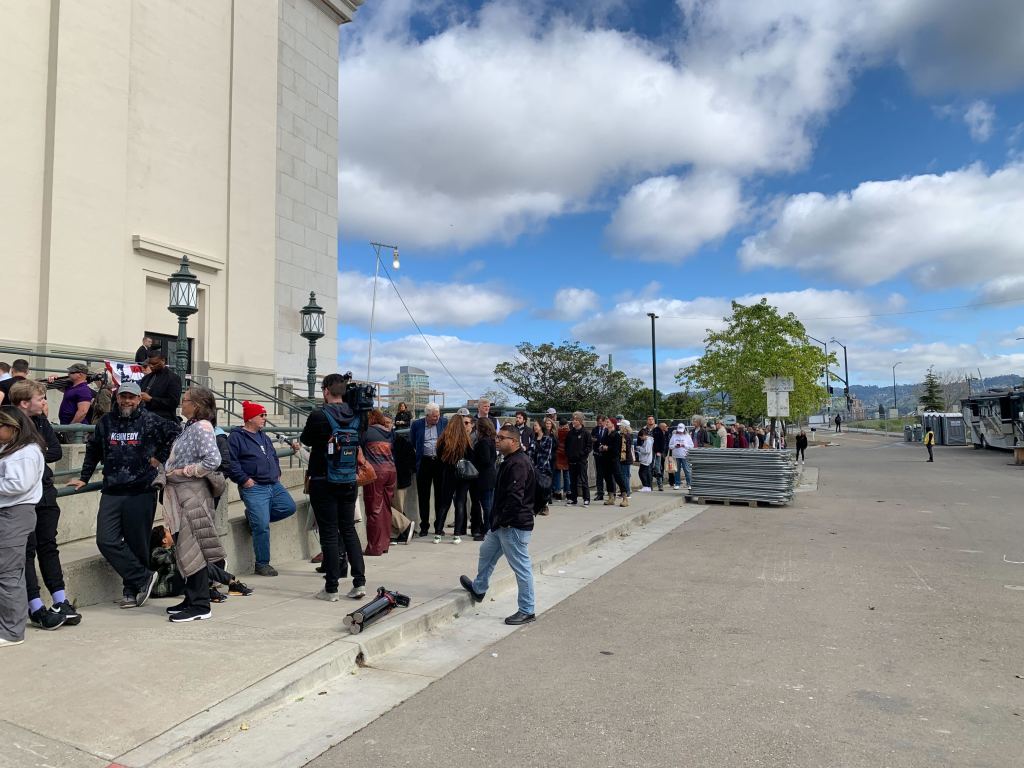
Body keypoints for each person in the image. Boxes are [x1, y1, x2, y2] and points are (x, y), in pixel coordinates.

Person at [67, 381, 177, 608]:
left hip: (141, 491)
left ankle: (131, 590)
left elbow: (176, 432)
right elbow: (93, 450)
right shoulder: (106, 422)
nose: (127, 401)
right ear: (117, 398)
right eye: (123, 397)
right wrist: (84, 478)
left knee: (137, 543)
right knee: (106, 540)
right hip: (112, 490)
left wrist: (160, 456)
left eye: (131, 397)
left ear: (139, 399)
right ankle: (143, 577)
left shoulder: (151, 420)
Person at [7, 380, 80, 629]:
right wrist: (38, 449)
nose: (44, 403)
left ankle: (60, 600)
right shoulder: (8, 421)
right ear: (25, 402)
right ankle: (35, 606)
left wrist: (33, 451)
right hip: (19, 501)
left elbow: (56, 451)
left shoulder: (41, 421)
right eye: (40, 398)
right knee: (26, 552)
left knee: (48, 546)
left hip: (45, 493)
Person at [459, 424, 537, 626]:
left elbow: (515, 498)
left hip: (513, 525)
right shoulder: (511, 460)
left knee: (521, 567)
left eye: (502, 437)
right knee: (486, 552)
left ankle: (527, 610)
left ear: (514, 441)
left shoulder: (518, 463)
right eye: (497, 436)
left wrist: (503, 520)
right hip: (502, 524)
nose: (497, 440)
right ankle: (479, 588)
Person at [160, 386, 226, 622]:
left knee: (193, 545)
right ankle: (192, 597)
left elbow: (213, 459)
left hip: (192, 493)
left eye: (185, 400)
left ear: (196, 405)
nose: (182, 403)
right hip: (183, 493)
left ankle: (200, 604)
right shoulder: (190, 427)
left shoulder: (203, 427)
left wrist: (187, 471)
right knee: (185, 545)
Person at [300, 374, 366, 600]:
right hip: (349, 480)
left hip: (323, 480)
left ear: (326, 390)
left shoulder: (319, 415)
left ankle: (331, 588)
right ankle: (359, 583)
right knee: (349, 530)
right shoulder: (357, 415)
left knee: (329, 533)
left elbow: (306, 440)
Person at [227, 400, 296, 576]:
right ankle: (262, 563)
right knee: (262, 526)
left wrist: (277, 471)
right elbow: (231, 462)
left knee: (289, 507)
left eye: (265, 415)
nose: (265, 418)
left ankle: (254, 518)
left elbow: (272, 455)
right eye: (262, 415)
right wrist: (244, 480)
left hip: (274, 484)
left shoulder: (263, 436)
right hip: (254, 487)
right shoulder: (236, 437)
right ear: (250, 418)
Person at [0, 409, 47, 647]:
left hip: (15, 514)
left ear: (14, 428)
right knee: (8, 572)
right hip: (9, 513)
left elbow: (17, 485)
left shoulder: (26, 452)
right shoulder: (12, 449)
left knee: (7, 573)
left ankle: (11, 631)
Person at [362, 410, 399, 555]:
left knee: (374, 509)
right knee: (386, 508)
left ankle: (374, 547)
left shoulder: (366, 431)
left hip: (375, 473)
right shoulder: (389, 432)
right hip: (391, 471)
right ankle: (384, 545)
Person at [434, 412, 474, 543]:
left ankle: (438, 533)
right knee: (460, 503)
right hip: (463, 475)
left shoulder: (444, 439)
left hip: (448, 473)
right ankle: (457, 534)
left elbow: (439, 456)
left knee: (444, 504)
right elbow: (471, 457)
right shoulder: (466, 439)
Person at [409, 403, 447, 538]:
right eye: (434, 417)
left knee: (440, 495)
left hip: (439, 462)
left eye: (438, 416)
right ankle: (424, 526)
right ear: (427, 416)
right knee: (423, 496)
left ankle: (439, 526)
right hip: (424, 462)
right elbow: (412, 442)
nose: (437, 419)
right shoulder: (417, 424)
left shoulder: (444, 422)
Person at [470, 417, 497, 540]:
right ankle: (488, 529)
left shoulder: (483, 442)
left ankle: (487, 530)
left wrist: (475, 461)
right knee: (488, 505)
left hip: (484, 478)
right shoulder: (491, 440)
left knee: (487, 506)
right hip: (489, 476)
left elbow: (485, 460)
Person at [139, 351, 182, 422]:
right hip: (144, 418)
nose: (151, 366)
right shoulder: (146, 378)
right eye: (149, 364)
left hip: (163, 420)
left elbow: (173, 402)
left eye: (154, 364)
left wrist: (151, 399)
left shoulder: (173, 378)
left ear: (163, 361)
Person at [564, 411, 592, 506]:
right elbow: (566, 446)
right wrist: (569, 455)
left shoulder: (586, 433)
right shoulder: (570, 433)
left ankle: (586, 499)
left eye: (576, 419)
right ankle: (573, 499)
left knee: (583, 480)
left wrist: (582, 454)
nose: (573, 421)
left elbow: (589, 447)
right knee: (573, 481)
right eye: (573, 419)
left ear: (580, 421)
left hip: (581, 461)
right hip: (572, 460)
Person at [532, 420, 553, 516]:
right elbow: (530, 453)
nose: (534, 427)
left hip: (544, 468)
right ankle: (536, 506)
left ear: (541, 426)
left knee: (544, 487)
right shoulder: (533, 438)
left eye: (536, 425)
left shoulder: (548, 439)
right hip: (533, 467)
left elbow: (547, 454)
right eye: (534, 426)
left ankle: (545, 506)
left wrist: (538, 467)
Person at [668, 424, 693, 490]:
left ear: (684, 429)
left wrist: (684, 445)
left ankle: (689, 484)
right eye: (679, 430)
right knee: (677, 470)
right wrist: (675, 446)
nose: (680, 432)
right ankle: (677, 483)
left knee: (687, 470)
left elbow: (691, 446)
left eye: (681, 431)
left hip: (685, 455)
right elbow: (670, 446)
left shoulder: (687, 436)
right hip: (676, 456)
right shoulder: (674, 436)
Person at [591, 416, 609, 501]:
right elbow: (591, 438)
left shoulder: (608, 430)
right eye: (598, 422)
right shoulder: (595, 429)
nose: (599, 424)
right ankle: (600, 493)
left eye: (601, 422)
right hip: (597, 454)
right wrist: (593, 440)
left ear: (605, 422)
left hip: (606, 455)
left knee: (608, 474)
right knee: (599, 475)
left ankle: (611, 492)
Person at [552, 417, 570, 500]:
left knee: (557, 474)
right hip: (566, 454)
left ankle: (558, 492)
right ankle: (567, 492)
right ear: (566, 424)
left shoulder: (557, 432)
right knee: (566, 474)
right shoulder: (569, 432)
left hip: (558, 453)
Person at [636, 426, 654, 492]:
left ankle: (646, 486)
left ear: (644, 435)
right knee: (645, 473)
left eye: (641, 437)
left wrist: (639, 448)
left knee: (641, 473)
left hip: (645, 459)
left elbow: (647, 451)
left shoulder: (648, 441)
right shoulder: (648, 440)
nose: (640, 438)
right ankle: (647, 486)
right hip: (646, 459)